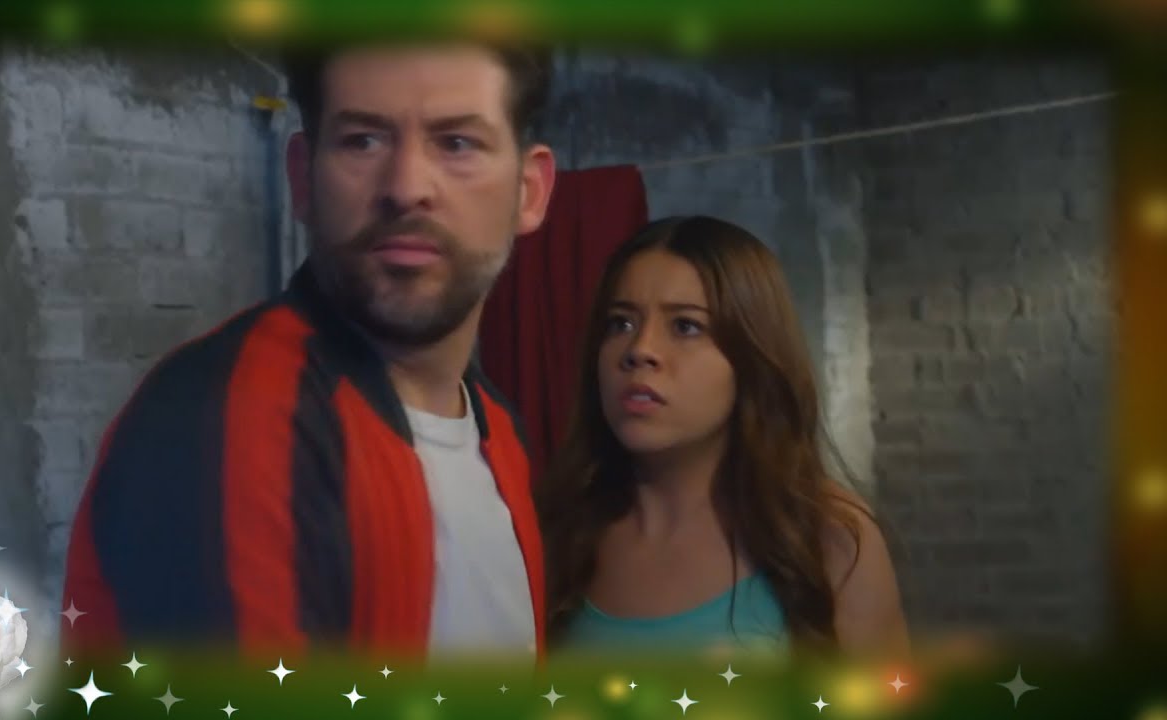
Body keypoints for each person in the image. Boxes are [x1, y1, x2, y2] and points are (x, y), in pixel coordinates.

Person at [60, 41, 558, 661]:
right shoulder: (229, 416)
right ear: (302, 177)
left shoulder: (500, 429)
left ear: (529, 192)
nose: (406, 187)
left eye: (457, 143)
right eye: (362, 141)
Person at [539, 216, 908, 659]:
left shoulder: (830, 538)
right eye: (620, 323)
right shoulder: (555, 529)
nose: (640, 350)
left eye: (685, 326)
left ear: (751, 355)